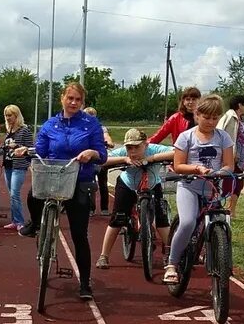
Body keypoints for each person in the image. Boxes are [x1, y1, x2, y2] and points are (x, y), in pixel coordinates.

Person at [19, 83, 107, 300]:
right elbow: (40, 149)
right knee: (32, 195)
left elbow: (102, 154)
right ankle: (36, 223)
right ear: (62, 99)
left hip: (79, 178)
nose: (74, 102)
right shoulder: (50, 125)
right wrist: (26, 151)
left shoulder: (91, 124)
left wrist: (92, 152)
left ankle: (85, 284)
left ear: (82, 102)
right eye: (70, 98)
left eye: (78, 99)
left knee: (79, 234)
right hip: (52, 175)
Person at [164, 94, 234, 285]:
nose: (211, 122)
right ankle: (172, 263)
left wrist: (221, 172)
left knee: (222, 222)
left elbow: (229, 164)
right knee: (187, 222)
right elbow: (178, 165)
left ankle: (220, 258)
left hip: (212, 188)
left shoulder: (223, 137)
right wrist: (196, 168)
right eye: (207, 117)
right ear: (197, 115)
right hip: (189, 186)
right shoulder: (186, 137)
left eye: (215, 118)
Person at [95, 128, 175, 269]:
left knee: (161, 219)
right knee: (117, 218)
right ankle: (104, 255)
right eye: (129, 148)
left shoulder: (154, 149)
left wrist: (151, 159)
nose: (133, 151)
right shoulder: (125, 154)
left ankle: (172, 255)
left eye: (137, 147)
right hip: (128, 184)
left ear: (146, 145)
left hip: (152, 184)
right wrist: (124, 159)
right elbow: (103, 160)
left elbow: (177, 152)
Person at [217, 94, 244, 217]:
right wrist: (231, 154)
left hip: (239, 158)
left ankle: (231, 210)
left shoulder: (238, 118)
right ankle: (227, 209)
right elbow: (229, 136)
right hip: (233, 157)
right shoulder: (232, 118)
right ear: (240, 105)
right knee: (232, 182)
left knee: (238, 182)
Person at [1, 105, 34, 230]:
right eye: (6, 115)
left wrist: (17, 146)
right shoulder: (8, 131)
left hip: (19, 166)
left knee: (15, 193)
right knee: (11, 194)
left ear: (17, 115)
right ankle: (14, 220)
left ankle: (20, 221)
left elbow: (30, 148)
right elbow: (4, 148)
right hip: (8, 165)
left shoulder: (24, 130)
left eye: (10, 115)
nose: (8, 118)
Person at [84, 106, 115, 216]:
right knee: (89, 183)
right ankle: (91, 208)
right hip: (88, 158)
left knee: (102, 182)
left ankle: (104, 208)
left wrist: (109, 143)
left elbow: (107, 137)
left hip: (100, 157)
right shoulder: (82, 128)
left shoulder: (101, 128)